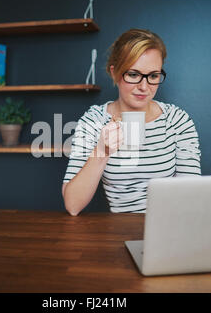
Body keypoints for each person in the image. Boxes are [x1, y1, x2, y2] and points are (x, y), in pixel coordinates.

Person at [62, 28, 201, 216]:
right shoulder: (93, 121)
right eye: (134, 75)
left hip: (169, 227)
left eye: (153, 76)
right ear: (115, 73)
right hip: (120, 230)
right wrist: (102, 151)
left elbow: (191, 196)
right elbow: (73, 205)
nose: (144, 87)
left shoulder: (177, 121)